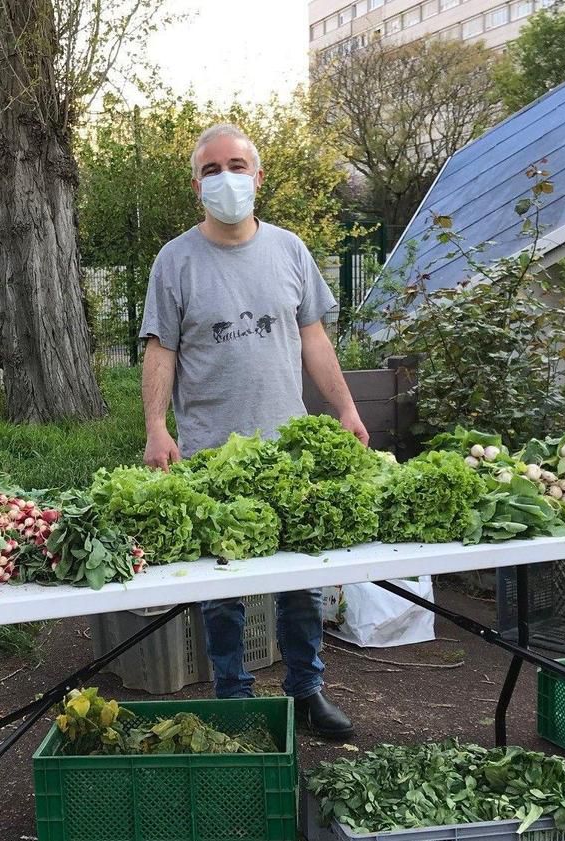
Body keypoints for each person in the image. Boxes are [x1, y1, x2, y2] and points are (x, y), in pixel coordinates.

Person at [139, 123, 368, 740]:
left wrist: (345, 410)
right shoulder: (176, 260)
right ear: (197, 186)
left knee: (300, 582)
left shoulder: (291, 251)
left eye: (236, 165)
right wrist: (157, 426)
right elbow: (160, 348)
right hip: (211, 450)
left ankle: (306, 693)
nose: (225, 178)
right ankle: (234, 699)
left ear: (258, 177)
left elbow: (314, 337)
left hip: (286, 451)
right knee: (222, 592)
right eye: (212, 169)